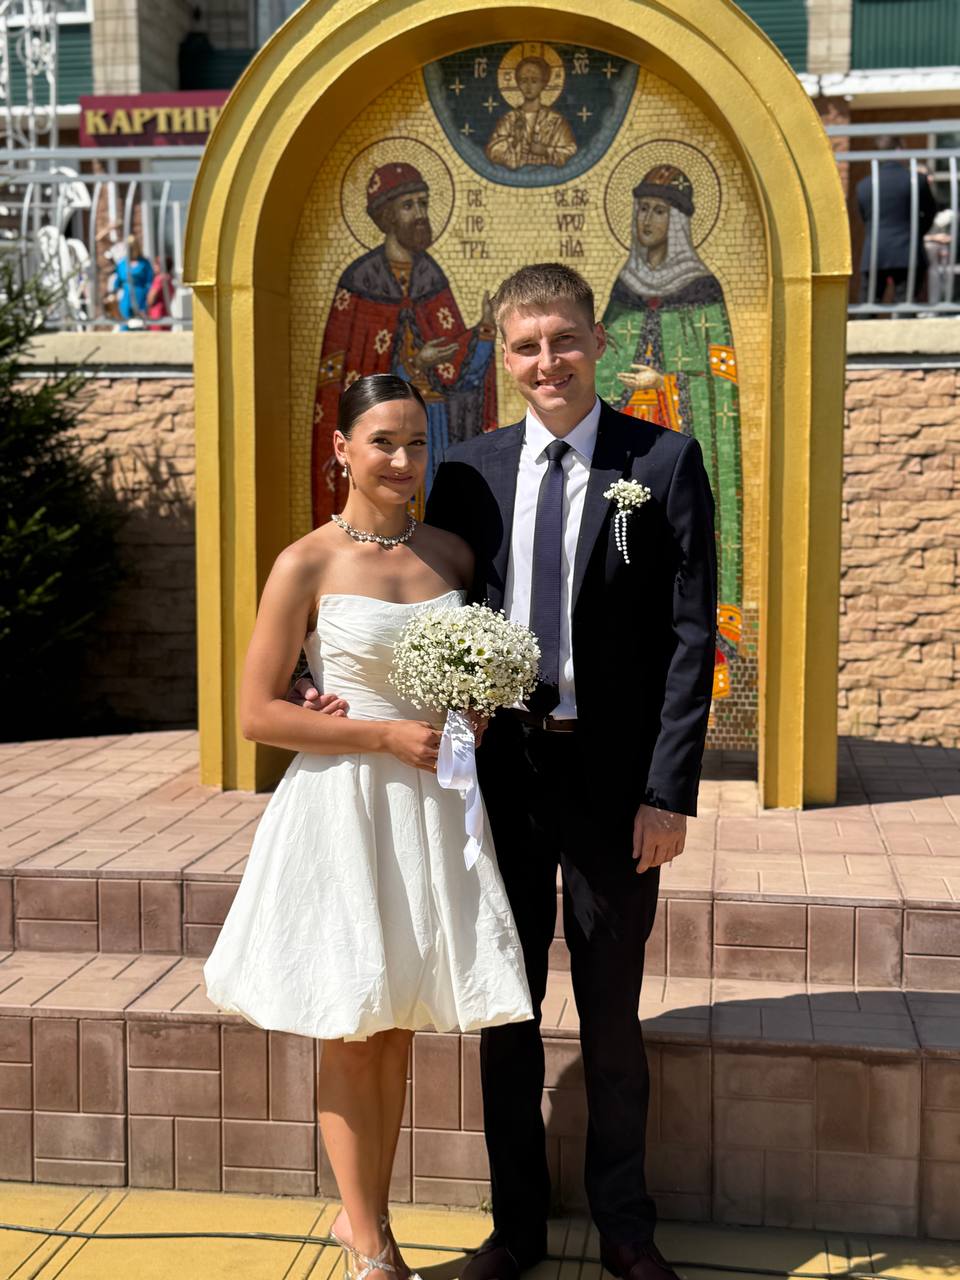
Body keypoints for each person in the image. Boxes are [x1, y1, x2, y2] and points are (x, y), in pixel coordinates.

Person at [300, 264, 717, 1280]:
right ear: (505, 356)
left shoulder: (661, 462)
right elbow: (408, 597)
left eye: (563, 339)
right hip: (500, 786)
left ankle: (626, 1229)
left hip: (616, 789)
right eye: (526, 345)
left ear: (596, 341)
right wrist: (323, 684)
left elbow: (689, 636)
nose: (546, 361)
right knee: (507, 1011)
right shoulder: (469, 472)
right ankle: (516, 1230)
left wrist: (668, 794)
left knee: (611, 1017)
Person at [205, 374, 532, 1280]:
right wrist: (379, 734)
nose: (401, 459)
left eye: (417, 442)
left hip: (432, 812)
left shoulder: (452, 557)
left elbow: (474, 683)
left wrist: (474, 710)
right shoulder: (304, 563)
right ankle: (373, 1246)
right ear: (342, 449)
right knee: (352, 1025)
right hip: (345, 808)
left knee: (394, 1029)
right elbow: (257, 714)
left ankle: (367, 1222)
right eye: (382, 441)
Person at [594, 163, 741, 704]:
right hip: (623, 452)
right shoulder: (625, 287)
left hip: (675, 451)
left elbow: (723, 380)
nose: (646, 220)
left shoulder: (702, 290)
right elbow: (604, 360)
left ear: (677, 221)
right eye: (641, 209)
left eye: (658, 210)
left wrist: (668, 384)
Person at [313, 163, 498, 525]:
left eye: (423, 203)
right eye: (409, 205)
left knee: (437, 524)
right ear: (387, 214)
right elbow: (354, 381)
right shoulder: (360, 281)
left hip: (434, 427)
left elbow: (460, 374)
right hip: (386, 437)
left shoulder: (431, 276)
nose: (420, 214)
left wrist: (483, 334)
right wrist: (415, 366)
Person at [856, 135, 937, 307]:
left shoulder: (864, 185)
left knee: (868, 307)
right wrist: (915, 233)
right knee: (906, 307)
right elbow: (930, 213)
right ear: (899, 150)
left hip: (875, 252)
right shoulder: (917, 181)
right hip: (908, 252)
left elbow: (865, 218)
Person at [485, 55, 577, 171]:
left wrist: (545, 150)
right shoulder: (509, 119)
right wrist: (514, 141)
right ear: (518, 83)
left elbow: (570, 152)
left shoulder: (556, 121)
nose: (528, 86)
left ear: (544, 83)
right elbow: (493, 152)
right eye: (524, 81)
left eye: (534, 81)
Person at [109, 234, 153, 330]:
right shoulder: (122, 263)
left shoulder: (144, 263)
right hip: (126, 297)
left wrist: (147, 301)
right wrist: (112, 295)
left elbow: (149, 282)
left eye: (132, 247)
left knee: (139, 326)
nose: (130, 250)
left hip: (140, 297)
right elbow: (117, 282)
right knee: (125, 325)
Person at [147, 255, 175, 330]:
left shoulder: (159, 279)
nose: (154, 266)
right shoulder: (169, 278)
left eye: (157, 263)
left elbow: (150, 300)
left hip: (157, 315)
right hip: (166, 313)